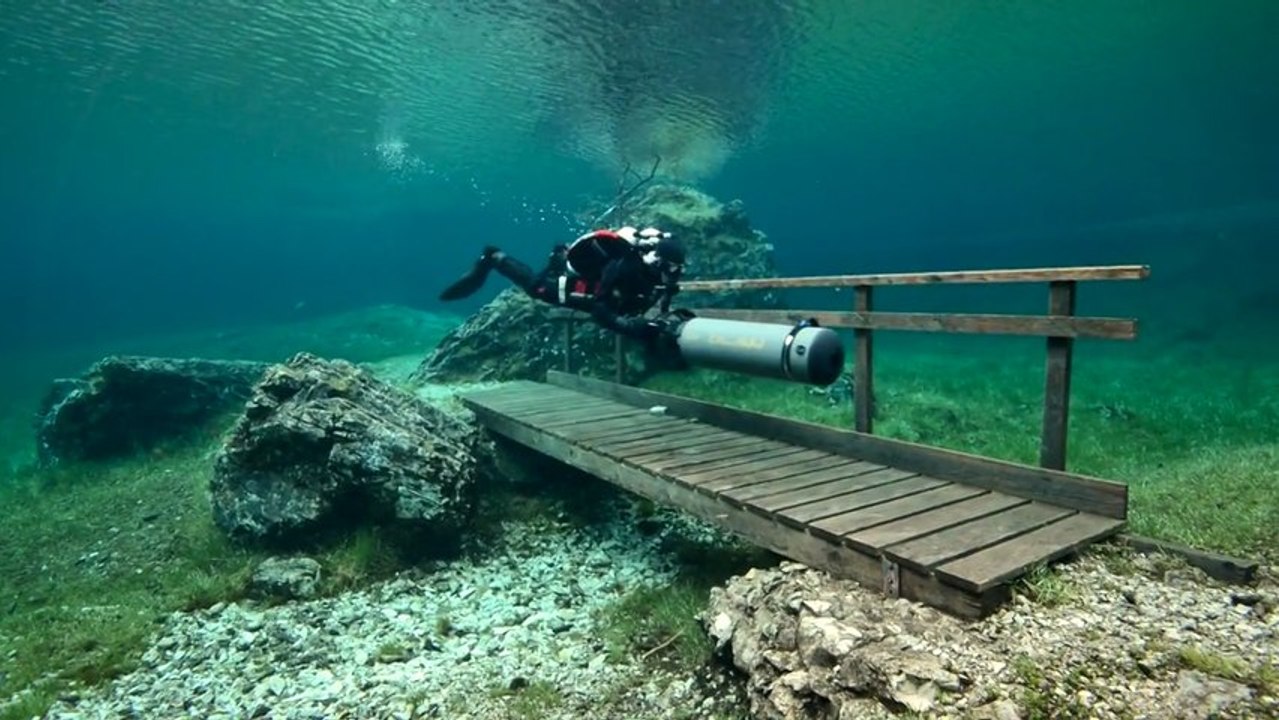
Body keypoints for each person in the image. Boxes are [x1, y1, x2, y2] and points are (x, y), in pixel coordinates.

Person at [438, 226, 686, 342]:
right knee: (537, 288)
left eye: (676, 269)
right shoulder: (623, 266)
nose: (672, 274)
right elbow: (600, 310)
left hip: (596, 284)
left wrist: (662, 314)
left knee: (553, 275)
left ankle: (559, 258)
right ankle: (495, 258)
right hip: (576, 289)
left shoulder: (657, 272)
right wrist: (631, 327)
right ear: (657, 259)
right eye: (670, 267)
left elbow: (661, 296)